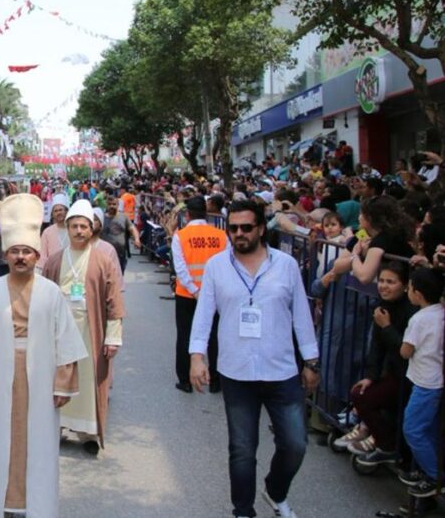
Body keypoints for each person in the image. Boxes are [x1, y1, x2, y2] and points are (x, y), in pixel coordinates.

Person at [0, 193, 85, 518]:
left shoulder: (51, 293)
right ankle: (5, 505)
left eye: (26, 251)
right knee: (2, 443)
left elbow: (66, 340)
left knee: (40, 444)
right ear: (6, 255)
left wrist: (62, 383)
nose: (21, 257)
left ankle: (39, 507)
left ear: (36, 255)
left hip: (41, 376)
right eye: (15, 251)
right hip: (2, 375)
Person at [189, 199, 320, 518]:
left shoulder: (286, 265)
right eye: (233, 228)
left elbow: (301, 315)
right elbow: (204, 314)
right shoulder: (217, 266)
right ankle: (243, 511)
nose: (239, 233)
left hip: (281, 371)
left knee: (295, 444)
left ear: (261, 229)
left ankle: (275, 491)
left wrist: (311, 361)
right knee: (242, 450)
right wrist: (196, 356)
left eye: (246, 227)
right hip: (236, 372)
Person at [41, 199, 125, 454]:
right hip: (60, 331)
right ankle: (57, 427)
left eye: (83, 226)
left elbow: (114, 301)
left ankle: (88, 433)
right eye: (74, 226)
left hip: (90, 330)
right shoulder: (54, 260)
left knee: (88, 382)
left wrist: (112, 338)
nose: (79, 231)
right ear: (67, 228)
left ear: (91, 229)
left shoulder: (103, 260)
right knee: (56, 378)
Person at [338, 261, 414, 465]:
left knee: (370, 399)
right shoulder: (382, 306)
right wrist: (370, 376)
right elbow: (376, 348)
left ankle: (387, 445)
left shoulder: (412, 312)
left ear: (405, 285)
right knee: (360, 392)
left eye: (391, 282)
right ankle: (381, 439)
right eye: (381, 280)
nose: (384, 286)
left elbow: (405, 352)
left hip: (410, 375)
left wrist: (387, 327)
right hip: (391, 372)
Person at [172, 196, 227, 394]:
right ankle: (216, 381)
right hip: (215, 294)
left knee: (185, 335)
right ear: (206, 213)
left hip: (187, 295)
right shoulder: (221, 235)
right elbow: (226, 265)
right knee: (214, 336)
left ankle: (185, 381)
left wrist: (195, 291)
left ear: (187, 214)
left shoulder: (181, 235)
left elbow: (181, 268)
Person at [398, 266, 444, 500]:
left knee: (413, 428)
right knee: (430, 429)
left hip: (425, 382)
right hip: (436, 380)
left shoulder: (419, 319)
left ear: (418, 293)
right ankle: (431, 469)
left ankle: (434, 475)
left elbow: (406, 351)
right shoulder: (441, 313)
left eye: (410, 287)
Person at [102, 196, 142, 274]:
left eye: (114, 204)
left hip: (120, 254)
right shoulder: (102, 218)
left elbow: (132, 229)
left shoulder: (124, 217)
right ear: (106, 205)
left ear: (118, 205)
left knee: (119, 275)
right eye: (109, 204)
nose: (112, 206)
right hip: (104, 253)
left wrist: (137, 239)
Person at [36, 194, 71, 271]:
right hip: (52, 271)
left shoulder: (73, 229)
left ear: (66, 211)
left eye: (61, 210)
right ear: (53, 214)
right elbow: (42, 256)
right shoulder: (47, 232)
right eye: (56, 211)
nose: (58, 213)